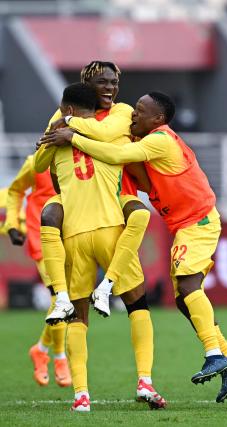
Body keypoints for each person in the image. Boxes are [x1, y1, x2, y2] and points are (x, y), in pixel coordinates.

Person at [44, 91, 227, 404]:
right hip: (185, 224)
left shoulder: (160, 140)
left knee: (188, 285)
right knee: (182, 299)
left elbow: (114, 157)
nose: (132, 116)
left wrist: (72, 133)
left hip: (198, 221)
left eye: (139, 111)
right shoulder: (147, 142)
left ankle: (213, 353)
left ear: (158, 119)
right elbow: (137, 173)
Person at [36, 83, 166, 411]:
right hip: (110, 231)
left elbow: (39, 165)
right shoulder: (110, 133)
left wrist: (59, 128)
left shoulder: (60, 138)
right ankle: (145, 381)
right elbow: (108, 138)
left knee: (78, 320)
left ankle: (81, 395)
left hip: (74, 236)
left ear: (67, 110)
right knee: (138, 306)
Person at [37, 61, 152, 324]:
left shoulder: (121, 111)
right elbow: (43, 160)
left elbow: (106, 132)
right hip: (78, 199)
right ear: (86, 85)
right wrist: (55, 136)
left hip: (117, 195)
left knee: (140, 215)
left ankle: (109, 283)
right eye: (103, 82)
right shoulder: (64, 112)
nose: (110, 87)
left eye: (114, 82)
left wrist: (68, 126)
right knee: (50, 214)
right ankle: (62, 297)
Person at [4, 155, 71, 388]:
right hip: (41, 238)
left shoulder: (80, 159)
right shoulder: (35, 162)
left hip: (71, 239)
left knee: (65, 300)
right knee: (60, 298)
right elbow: (14, 191)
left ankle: (40, 349)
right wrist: (12, 223)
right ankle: (60, 357)